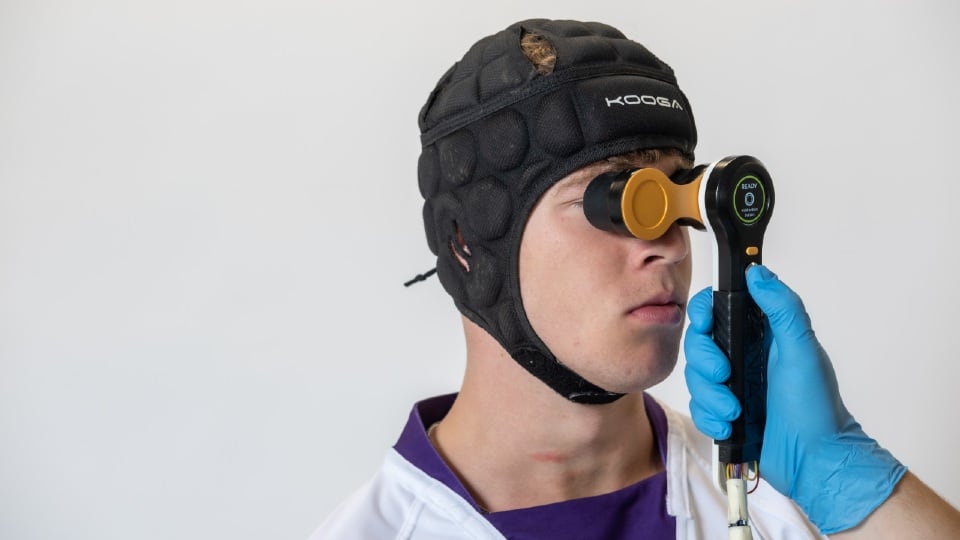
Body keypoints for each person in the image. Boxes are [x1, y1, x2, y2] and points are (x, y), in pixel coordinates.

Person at [311, 19, 960, 539]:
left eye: (678, 198)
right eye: (614, 201)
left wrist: (843, 479)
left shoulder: (779, 506)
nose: (669, 246)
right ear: (466, 244)